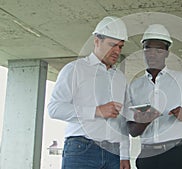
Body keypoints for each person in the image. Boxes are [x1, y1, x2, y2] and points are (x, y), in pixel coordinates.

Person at [48, 16, 130, 169]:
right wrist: (96, 111)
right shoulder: (75, 69)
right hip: (81, 150)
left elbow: (122, 120)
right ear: (97, 41)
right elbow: (54, 109)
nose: (117, 51)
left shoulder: (120, 78)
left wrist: (125, 154)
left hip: (114, 153)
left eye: (120, 46)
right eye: (112, 45)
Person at [125, 24, 182, 169]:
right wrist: (145, 120)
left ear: (167, 53)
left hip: (178, 155)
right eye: (148, 48)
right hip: (147, 156)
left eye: (158, 50)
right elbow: (132, 131)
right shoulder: (135, 87)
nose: (152, 54)